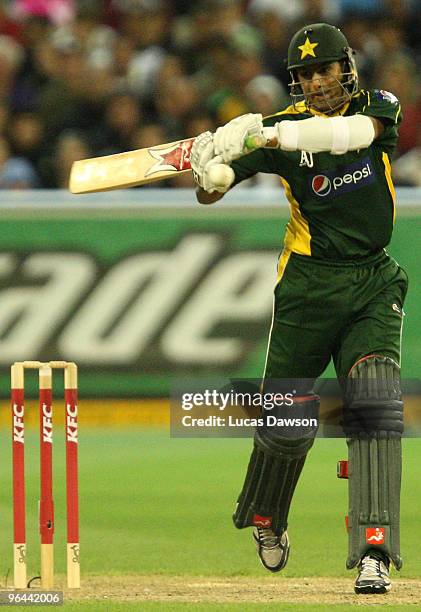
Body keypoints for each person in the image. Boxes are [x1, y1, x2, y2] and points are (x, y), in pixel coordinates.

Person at [190, 22, 407, 595]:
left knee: (376, 404)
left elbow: (349, 135)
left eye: (325, 70)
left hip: (370, 280)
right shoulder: (277, 128)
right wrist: (210, 164)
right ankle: (267, 519)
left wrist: (267, 138)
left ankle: (375, 552)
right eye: (305, 74)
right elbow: (211, 191)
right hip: (307, 287)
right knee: (286, 423)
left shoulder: (378, 108)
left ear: (347, 69)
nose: (316, 82)